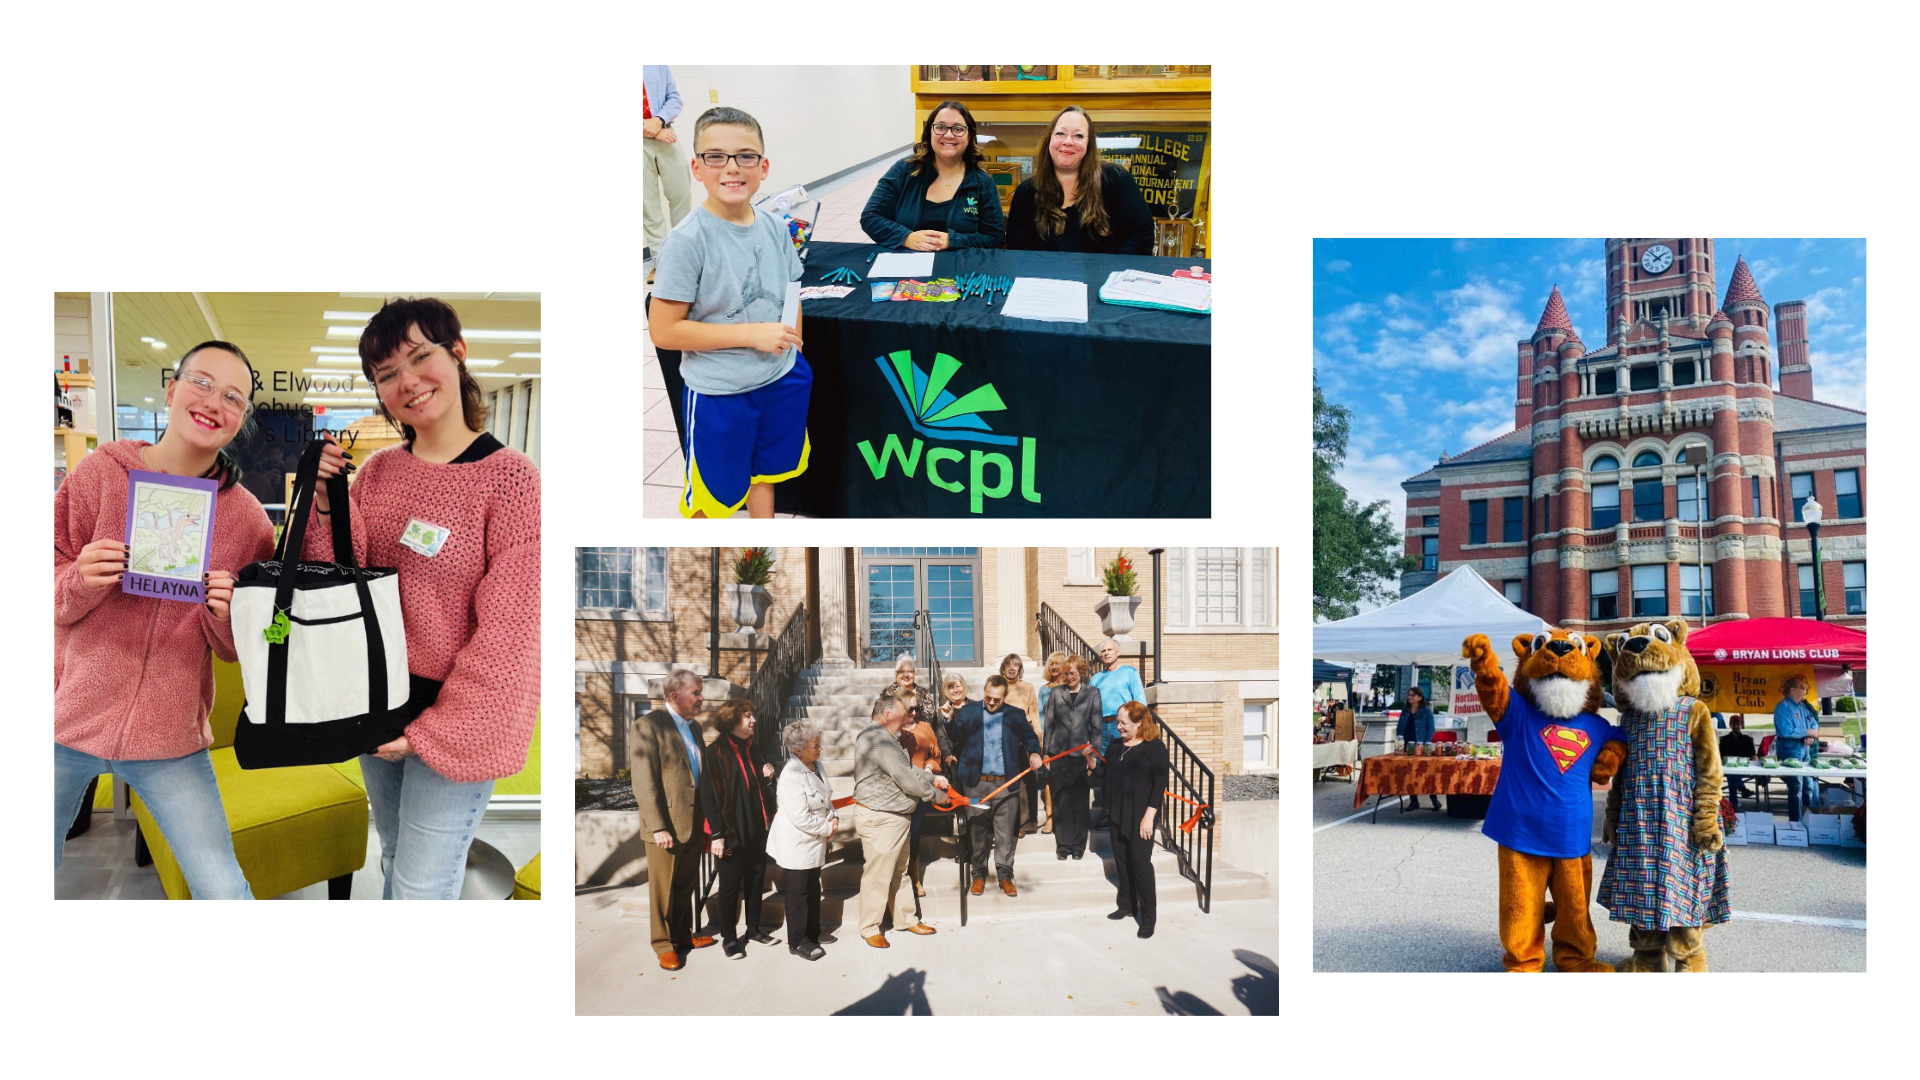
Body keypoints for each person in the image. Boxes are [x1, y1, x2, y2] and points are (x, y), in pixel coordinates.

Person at [307, 297, 542, 899]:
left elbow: (513, 630)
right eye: (387, 374)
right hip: (378, 701)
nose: (407, 382)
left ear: (457, 354)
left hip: (455, 714)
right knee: (392, 857)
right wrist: (328, 504)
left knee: (420, 884)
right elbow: (340, 577)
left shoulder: (511, 481)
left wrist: (437, 732)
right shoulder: (380, 472)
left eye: (420, 357)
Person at [54, 342, 275, 899]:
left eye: (233, 397)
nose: (213, 403)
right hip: (68, 720)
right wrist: (81, 577)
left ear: (241, 418)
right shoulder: (100, 475)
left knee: (223, 889)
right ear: (172, 391)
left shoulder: (248, 521)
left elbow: (242, 646)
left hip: (170, 735)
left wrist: (228, 614)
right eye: (201, 383)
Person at [647, 106, 811, 519]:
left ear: (764, 166)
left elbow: (793, 289)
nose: (732, 168)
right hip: (722, 394)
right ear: (697, 167)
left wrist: (794, 344)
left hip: (779, 379)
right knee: (712, 497)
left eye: (746, 156)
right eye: (716, 156)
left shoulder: (775, 227)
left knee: (765, 473)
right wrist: (752, 334)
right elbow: (664, 332)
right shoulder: (687, 242)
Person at [630, 670, 719, 969]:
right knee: (663, 890)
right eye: (696, 693)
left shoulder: (693, 729)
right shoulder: (648, 726)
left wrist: (707, 823)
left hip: (693, 822)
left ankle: (682, 935)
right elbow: (644, 781)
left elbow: (699, 778)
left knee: (685, 884)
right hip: (665, 826)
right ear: (674, 696)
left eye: (700, 692)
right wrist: (657, 826)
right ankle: (663, 944)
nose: (701, 698)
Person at [852, 694, 951, 947]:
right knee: (878, 875)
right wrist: (935, 795)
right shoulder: (877, 739)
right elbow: (904, 777)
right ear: (887, 715)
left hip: (896, 817)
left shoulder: (889, 739)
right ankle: (869, 927)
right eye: (903, 713)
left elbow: (907, 769)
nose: (908, 717)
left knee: (900, 872)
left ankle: (905, 918)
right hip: (881, 818)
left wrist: (932, 779)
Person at [859, 100, 1007, 254]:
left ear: (969, 136)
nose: (948, 135)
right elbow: (871, 217)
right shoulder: (904, 170)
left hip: (960, 270)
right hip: (905, 268)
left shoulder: (983, 183)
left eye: (958, 128)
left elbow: (995, 238)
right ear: (929, 132)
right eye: (940, 127)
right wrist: (906, 238)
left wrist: (952, 241)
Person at [1004, 105, 1154, 254]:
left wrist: (1109, 271)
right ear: (1049, 139)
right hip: (1045, 277)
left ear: (1089, 145)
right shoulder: (1026, 192)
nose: (1068, 141)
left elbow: (1142, 237)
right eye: (1061, 133)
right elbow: (1019, 253)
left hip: (1104, 277)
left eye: (1078, 135)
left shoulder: (1117, 180)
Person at [948, 675, 1042, 896]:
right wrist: (948, 720)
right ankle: (978, 875)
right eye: (988, 697)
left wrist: (1035, 751)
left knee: (1005, 833)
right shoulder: (969, 712)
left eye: (996, 700)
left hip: (1006, 783)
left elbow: (1030, 736)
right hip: (976, 783)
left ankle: (1005, 876)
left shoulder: (1016, 715)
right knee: (976, 832)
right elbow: (955, 737)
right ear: (984, 690)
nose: (991, 702)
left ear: (1005, 696)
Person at [700, 699, 780, 959]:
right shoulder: (715, 753)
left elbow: (762, 788)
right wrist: (716, 835)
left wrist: (770, 776)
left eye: (752, 715)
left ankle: (754, 930)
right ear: (732, 720)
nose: (753, 720)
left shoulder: (753, 748)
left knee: (756, 882)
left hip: (757, 828)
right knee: (730, 888)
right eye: (747, 716)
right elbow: (709, 797)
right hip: (730, 832)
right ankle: (729, 938)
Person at [1093, 702, 1170, 938]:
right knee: (1122, 863)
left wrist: (1150, 816)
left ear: (1139, 723)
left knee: (1141, 866)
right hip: (1117, 813)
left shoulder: (1154, 747)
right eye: (1117, 722)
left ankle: (1148, 918)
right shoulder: (1115, 747)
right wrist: (1090, 761)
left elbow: (1160, 784)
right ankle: (1127, 905)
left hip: (1141, 816)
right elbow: (1102, 776)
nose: (1118, 727)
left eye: (1123, 723)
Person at [882, 656, 953, 898]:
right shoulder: (890, 731)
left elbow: (935, 755)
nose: (913, 712)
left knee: (913, 833)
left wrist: (931, 769)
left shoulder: (925, 728)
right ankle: (894, 879)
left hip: (920, 788)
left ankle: (914, 879)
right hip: (895, 789)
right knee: (896, 834)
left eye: (915, 708)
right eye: (908, 708)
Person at [767, 720, 836, 961]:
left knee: (812, 888)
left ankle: (813, 932)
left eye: (819, 743)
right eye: (815, 745)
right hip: (796, 843)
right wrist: (828, 827)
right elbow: (800, 818)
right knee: (797, 894)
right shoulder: (791, 775)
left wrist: (833, 816)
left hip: (814, 840)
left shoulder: (816, 765)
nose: (820, 749)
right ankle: (798, 941)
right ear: (797, 749)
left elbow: (827, 795)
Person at [1045, 654, 1103, 858]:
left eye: (1073, 674)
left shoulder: (1093, 693)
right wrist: (1047, 754)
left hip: (1082, 756)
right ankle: (1063, 846)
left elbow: (1097, 727)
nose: (1068, 677)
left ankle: (1078, 846)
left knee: (1079, 801)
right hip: (1059, 754)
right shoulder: (1055, 693)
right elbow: (1049, 724)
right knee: (1061, 801)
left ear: (1082, 673)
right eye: (1066, 673)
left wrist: (1093, 757)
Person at [641, 64, 693, 284]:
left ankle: (684, 257)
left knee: (681, 195)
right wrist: (650, 128)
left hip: (666, 134)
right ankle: (661, 263)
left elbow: (674, 98)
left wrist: (659, 120)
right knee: (648, 206)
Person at [1088, 637, 1145, 829]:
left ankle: (1131, 812)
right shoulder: (1096, 679)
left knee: (1129, 769)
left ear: (1118, 652)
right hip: (1101, 728)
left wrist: (1139, 727)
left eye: (1109, 650)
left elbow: (1140, 701)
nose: (1106, 653)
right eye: (1103, 651)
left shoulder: (1129, 673)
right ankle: (1108, 814)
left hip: (1125, 727)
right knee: (1106, 773)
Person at [996, 654, 1042, 835]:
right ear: (1003, 667)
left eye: (1016, 664)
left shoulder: (1027, 687)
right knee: (1008, 778)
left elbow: (1034, 714)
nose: (1012, 668)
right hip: (1003, 734)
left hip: (1025, 734)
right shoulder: (998, 686)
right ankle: (1009, 822)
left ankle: (1024, 824)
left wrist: (1037, 740)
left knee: (1027, 780)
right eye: (1008, 664)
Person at [1772, 675, 1823, 821]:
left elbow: (1813, 723)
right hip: (1790, 750)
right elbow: (1785, 730)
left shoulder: (1803, 707)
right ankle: (1796, 821)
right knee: (1796, 787)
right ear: (1792, 690)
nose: (1805, 689)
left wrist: (1811, 735)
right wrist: (1807, 732)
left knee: (1809, 785)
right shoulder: (1782, 707)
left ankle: (1811, 819)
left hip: (1805, 749)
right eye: (1801, 687)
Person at [1034, 651, 1071, 834]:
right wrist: (1042, 740)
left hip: (1070, 741)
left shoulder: (1071, 687)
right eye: (1051, 664)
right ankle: (1050, 819)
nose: (1054, 667)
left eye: (1058, 663)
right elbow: (1041, 717)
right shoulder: (1043, 690)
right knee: (1049, 780)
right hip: (1051, 739)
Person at [1396, 687, 1442, 810]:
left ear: (1420, 697)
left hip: (1421, 745)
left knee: (1426, 773)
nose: (1410, 697)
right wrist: (1399, 742)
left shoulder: (1426, 711)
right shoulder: (1405, 711)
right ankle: (1413, 801)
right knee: (1410, 773)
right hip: (1407, 745)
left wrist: (1425, 744)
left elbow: (1431, 728)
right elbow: (1399, 728)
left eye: (1413, 695)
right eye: (1409, 695)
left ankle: (1434, 799)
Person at [1719, 715, 1757, 805]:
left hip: (1745, 767)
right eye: (1734, 724)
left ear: (1741, 725)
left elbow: (1753, 755)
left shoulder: (1747, 739)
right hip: (1729, 767)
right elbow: (1721, 755)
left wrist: (1756, 763)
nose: (1736, 726)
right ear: (1730, 725)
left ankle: (1733, 805)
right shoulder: (1724, 740)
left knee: (1733, 776)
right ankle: (1742, 789)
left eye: (1738, 724)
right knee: (1733, 773)